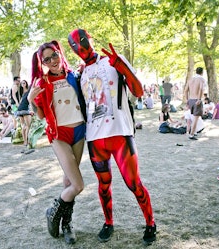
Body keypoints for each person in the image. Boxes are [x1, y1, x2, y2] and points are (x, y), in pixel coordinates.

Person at [68, 29, 156, 245]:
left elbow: (139, 92)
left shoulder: (113, 61)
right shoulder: (80, 75)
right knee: (103, 185)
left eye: (82, 41)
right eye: (74, 45)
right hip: (95, 139)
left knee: (134, 183)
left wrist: (122, 67)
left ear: (90, 39)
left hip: (120, 134)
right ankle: (108, 223)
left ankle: (150, 223)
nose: (80, 47)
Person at [27, 40, 86, 244]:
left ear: (60, 54)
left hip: (79, 131)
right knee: (78, 185)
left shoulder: (74, 76)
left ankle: (67, 224)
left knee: (69, 181)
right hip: (59, 135)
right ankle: (53, 212)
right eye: (46, 59)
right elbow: (41, 115)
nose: (51, 61)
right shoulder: (42, 83)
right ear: (42, 62)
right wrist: (32, 102)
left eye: (54, 55)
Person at [184, 67, 205, 140]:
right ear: (202, 72)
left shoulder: (190, 79)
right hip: (196, 99)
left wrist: (187, 100)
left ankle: (194, 131)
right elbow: (201, 89)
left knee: (193, 117)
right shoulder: (201, 79)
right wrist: (199, 99)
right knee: (196, 119)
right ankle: (192, 134)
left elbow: (186, 90)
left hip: (190, 99)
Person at [16, 80, 34, 153]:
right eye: (22, 83)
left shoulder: (23, 93)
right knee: (28, 126)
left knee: (23, 126)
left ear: (26, 84)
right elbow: (30, 101)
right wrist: (31, 110)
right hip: (24, 109)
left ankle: (25, 142)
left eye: (24, 83)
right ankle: (27, 141)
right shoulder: (27, 92)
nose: (22, 84)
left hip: (20, 109)